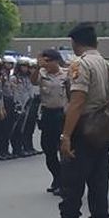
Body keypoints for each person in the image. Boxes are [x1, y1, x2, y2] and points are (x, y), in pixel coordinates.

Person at [38, 23, 109, 218]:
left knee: (71, 189)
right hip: (102, 133)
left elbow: (77, 102)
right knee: (98, 189)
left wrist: (65, 136)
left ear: (75, 42)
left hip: (82, 132)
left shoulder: (80, 64)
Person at [36, 49, 70, 195]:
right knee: (48, 149)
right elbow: (32, 81)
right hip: (47, 114)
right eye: (44, 61)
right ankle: (57, 177)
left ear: (56, 60)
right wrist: (38, 67)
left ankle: (64, 183)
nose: (46, 64)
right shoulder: (42, 74)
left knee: (62, 149)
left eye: (49, 61)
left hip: (61, 114)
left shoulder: (67, 74)